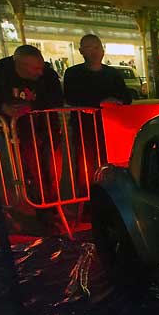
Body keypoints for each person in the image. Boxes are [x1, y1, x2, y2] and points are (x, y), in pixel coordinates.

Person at [0, 45, 64, 209]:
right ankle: (32, 204)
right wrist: (3, 108)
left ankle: (50, 202)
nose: (40, 72)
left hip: (46, 128)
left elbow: (57, 99)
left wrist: (33, 107)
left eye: (41, 66)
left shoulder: (48, 75)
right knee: (24, 169)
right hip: (15, 132)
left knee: (51, 168)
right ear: (20, 65)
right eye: (35, 68)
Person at [63, 34, 131, 197]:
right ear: (81, 51)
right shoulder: (73, 74)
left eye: (96, 47)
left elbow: (127, 97)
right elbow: (71, 98)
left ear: (102, 50)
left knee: (111, 164)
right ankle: (86, 198)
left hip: (111, 127)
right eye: (88, 48)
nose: (93, 52)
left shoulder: (113, 74)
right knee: (85, 164)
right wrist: (100, 102)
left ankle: (112, 197)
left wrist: (117, 101)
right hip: (84, 127)